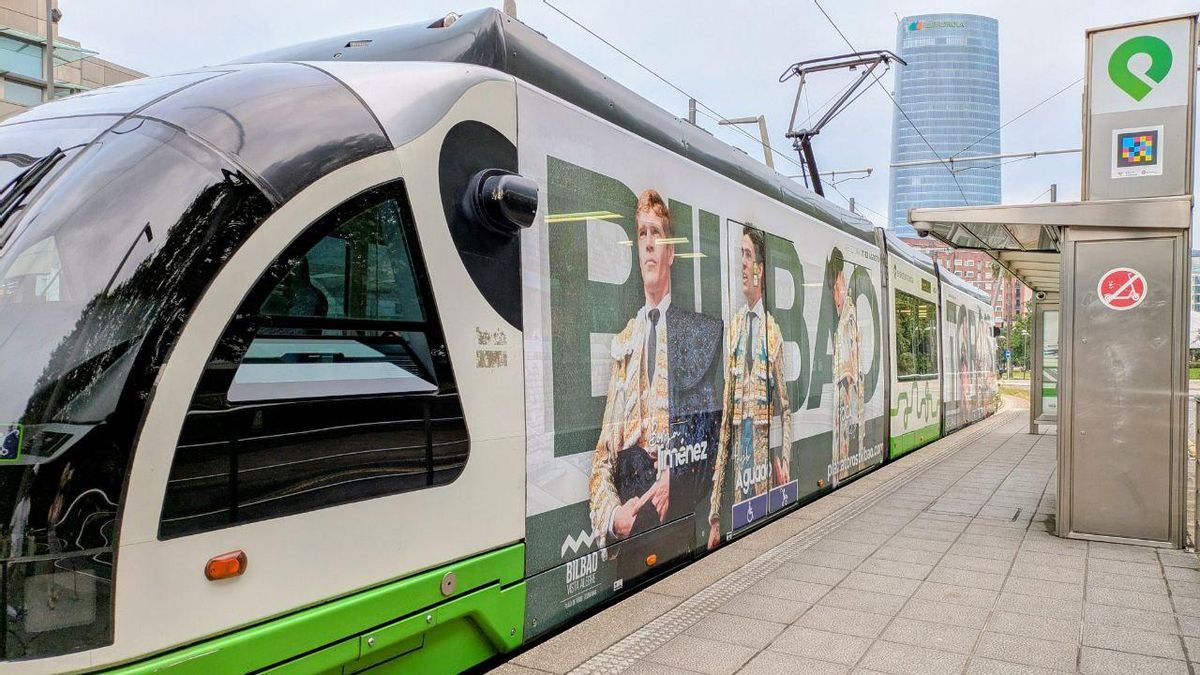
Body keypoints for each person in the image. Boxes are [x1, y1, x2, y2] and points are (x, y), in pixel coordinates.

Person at [588, 189, 722, 567]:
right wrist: (614, 517)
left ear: (671, 252)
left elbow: (710, 435)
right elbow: (603, 457)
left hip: (675, 520)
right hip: (631, 532)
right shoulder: (624, 344)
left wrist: (673, 476)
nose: (648, 244)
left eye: (656, 234)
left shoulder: (697, 334)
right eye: (642, 234)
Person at [707, 226, 792, 549]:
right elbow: (726, 422)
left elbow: (785, 407)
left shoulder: (773, 332)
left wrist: (782, 459)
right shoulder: (735, 328)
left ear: (760, 269)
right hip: (738, 473)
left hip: (763, 476)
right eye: (739, 255)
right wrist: (715, 514)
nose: (742, 264)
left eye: (747, 255)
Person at [829, 247, 864, 486]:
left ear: (842, 279)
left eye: (836, 287)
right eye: (832, 289)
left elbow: (852, 362)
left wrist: (849, 385)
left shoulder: (849, 314)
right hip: (840, 398)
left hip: (846, 396)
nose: (835, 295)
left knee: (843, 445)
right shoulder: (842, 315)